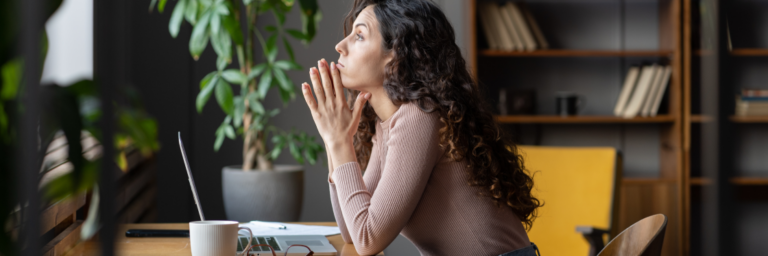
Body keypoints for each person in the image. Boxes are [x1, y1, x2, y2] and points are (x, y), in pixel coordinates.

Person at [299, 0, 541, 255]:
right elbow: (351, 230)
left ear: (396, 53)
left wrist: (339, 143)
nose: (340, 46)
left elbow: (367, 239)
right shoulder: (390, 125)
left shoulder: (420, 116)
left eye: (359, 35)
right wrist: (334, 139)